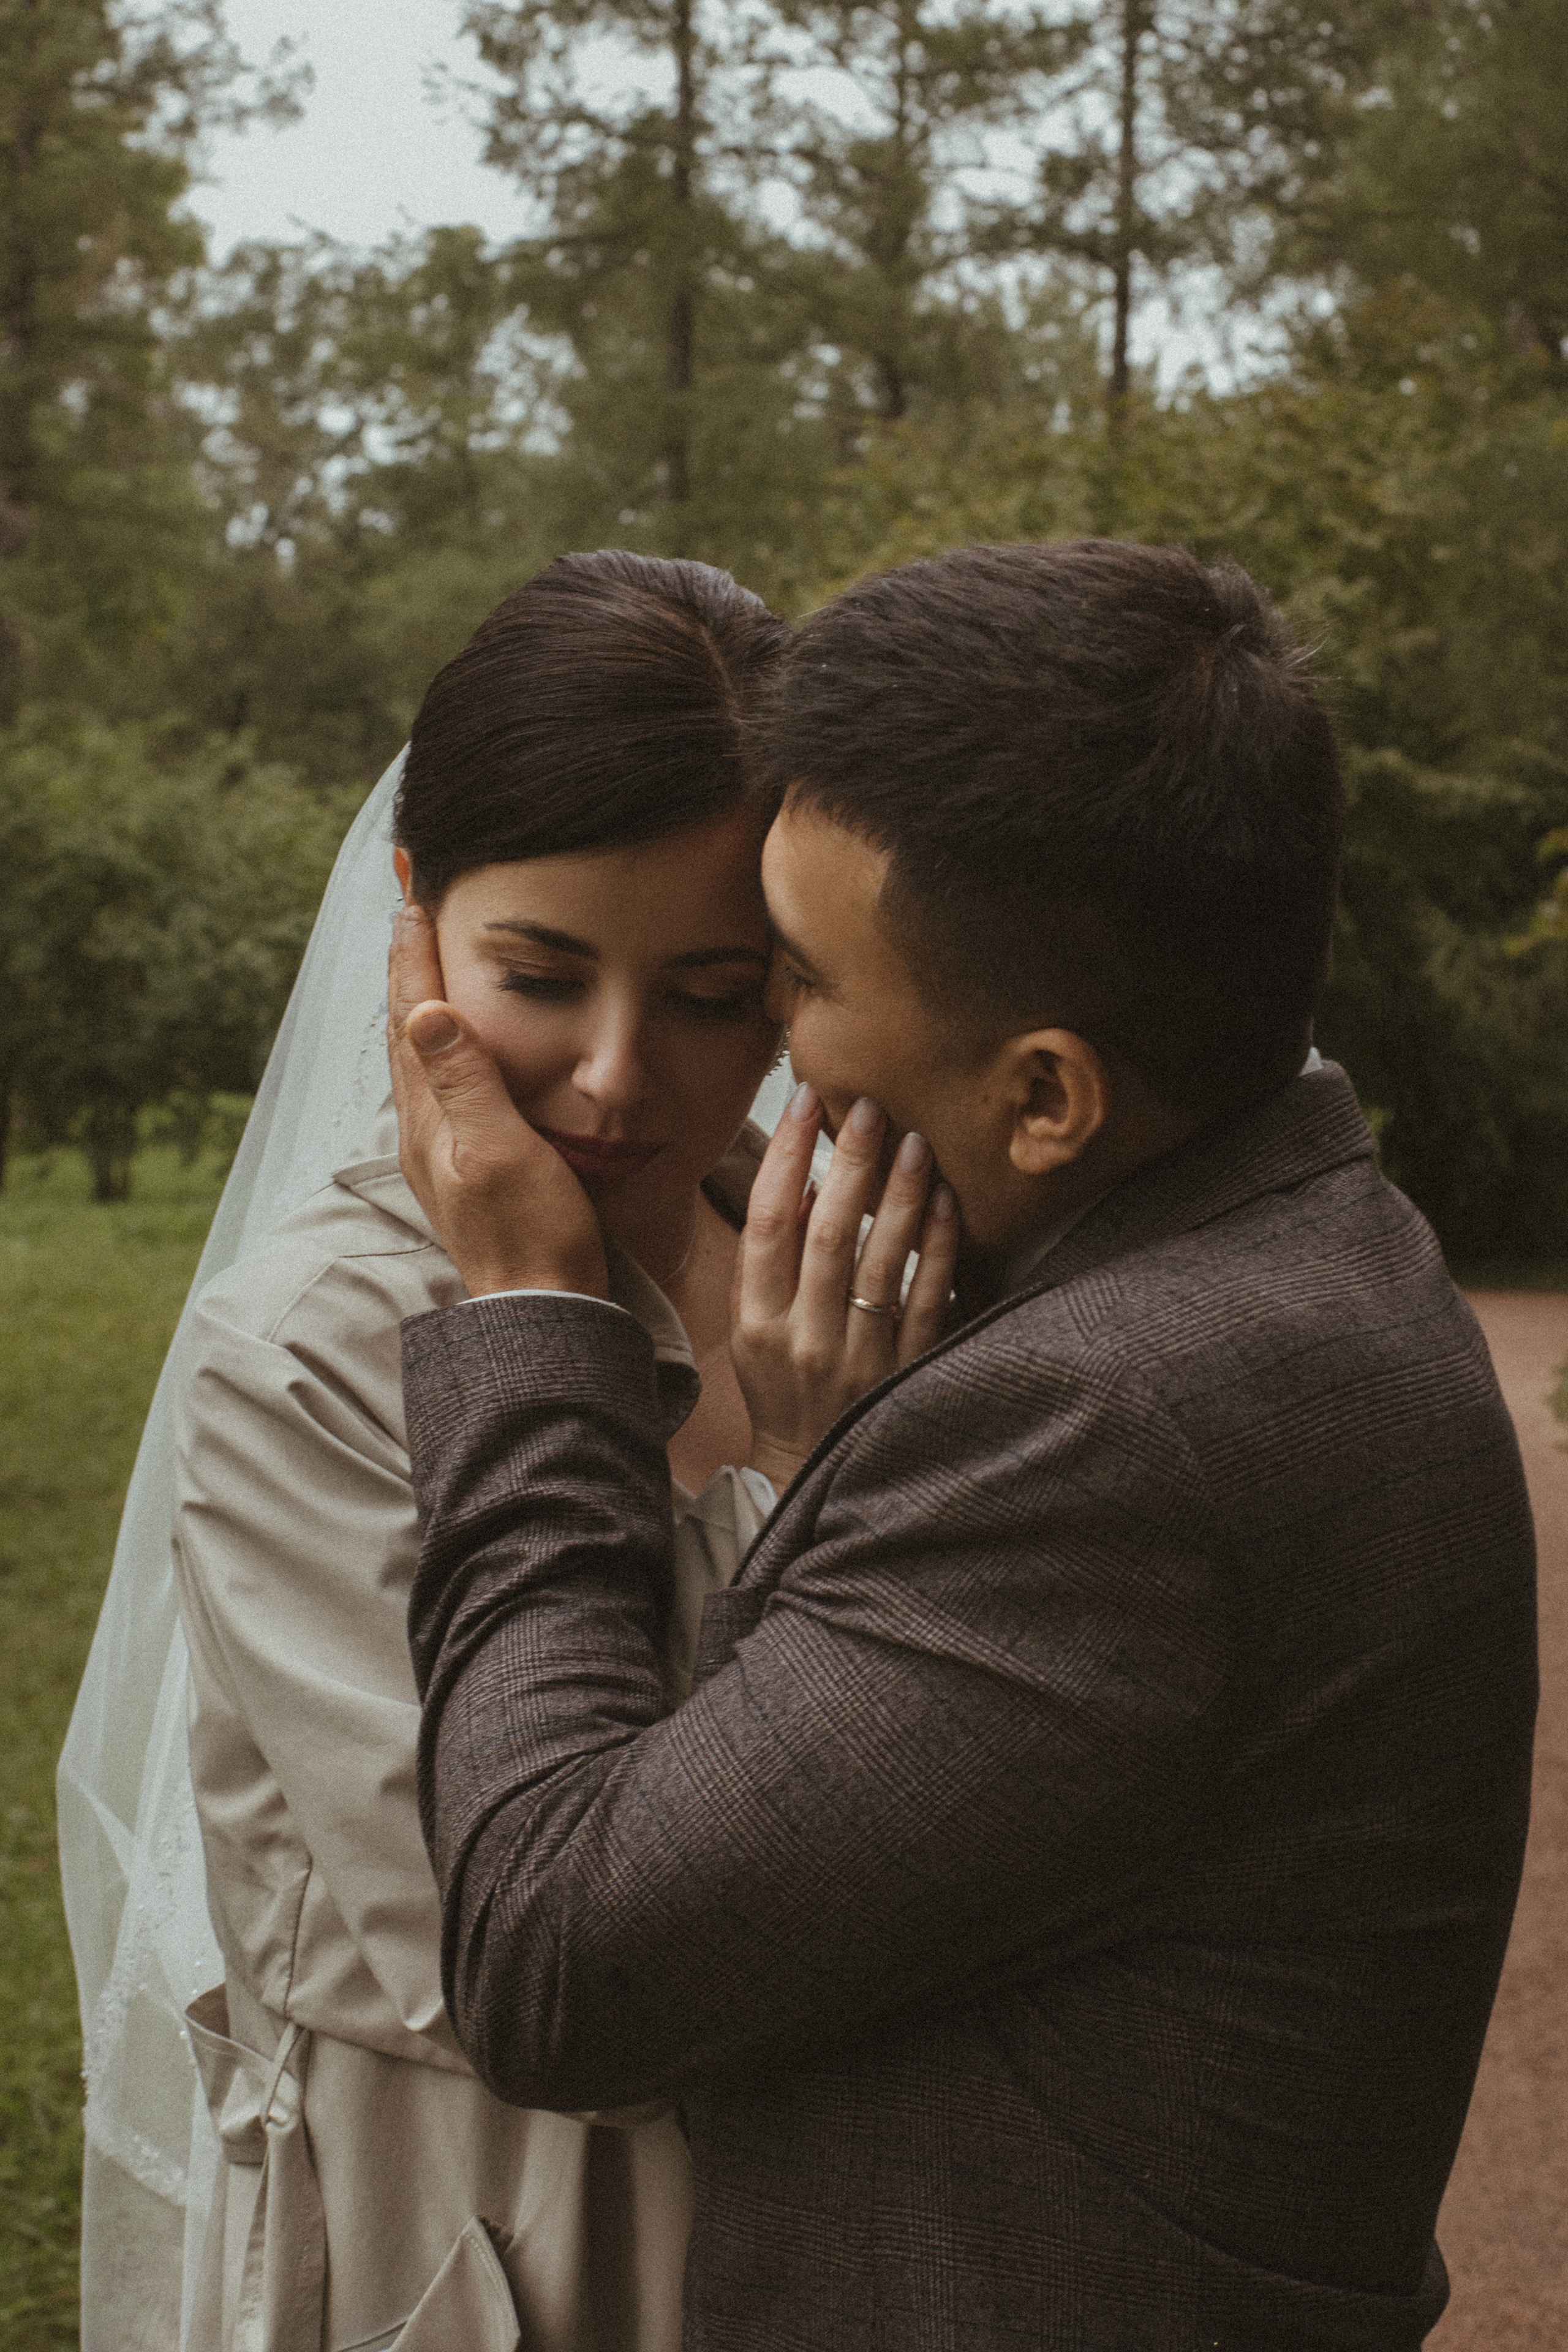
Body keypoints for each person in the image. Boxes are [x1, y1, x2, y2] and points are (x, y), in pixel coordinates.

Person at [390, 538, 1539, 2350]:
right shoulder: (1307, 1248)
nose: (761, 1049)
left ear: (1046, 1096)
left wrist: (534, 1320)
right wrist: (856, 1457)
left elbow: (558, 1955)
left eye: (791, 984)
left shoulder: (1118, 1425)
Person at [59, 549, 825, 2352]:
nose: (618, 1080)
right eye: (540, 975)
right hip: (481, 2241)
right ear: (411, 918)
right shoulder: (310, 1356)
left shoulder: (822, 1273)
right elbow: (540, 1967)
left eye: (714, 996)